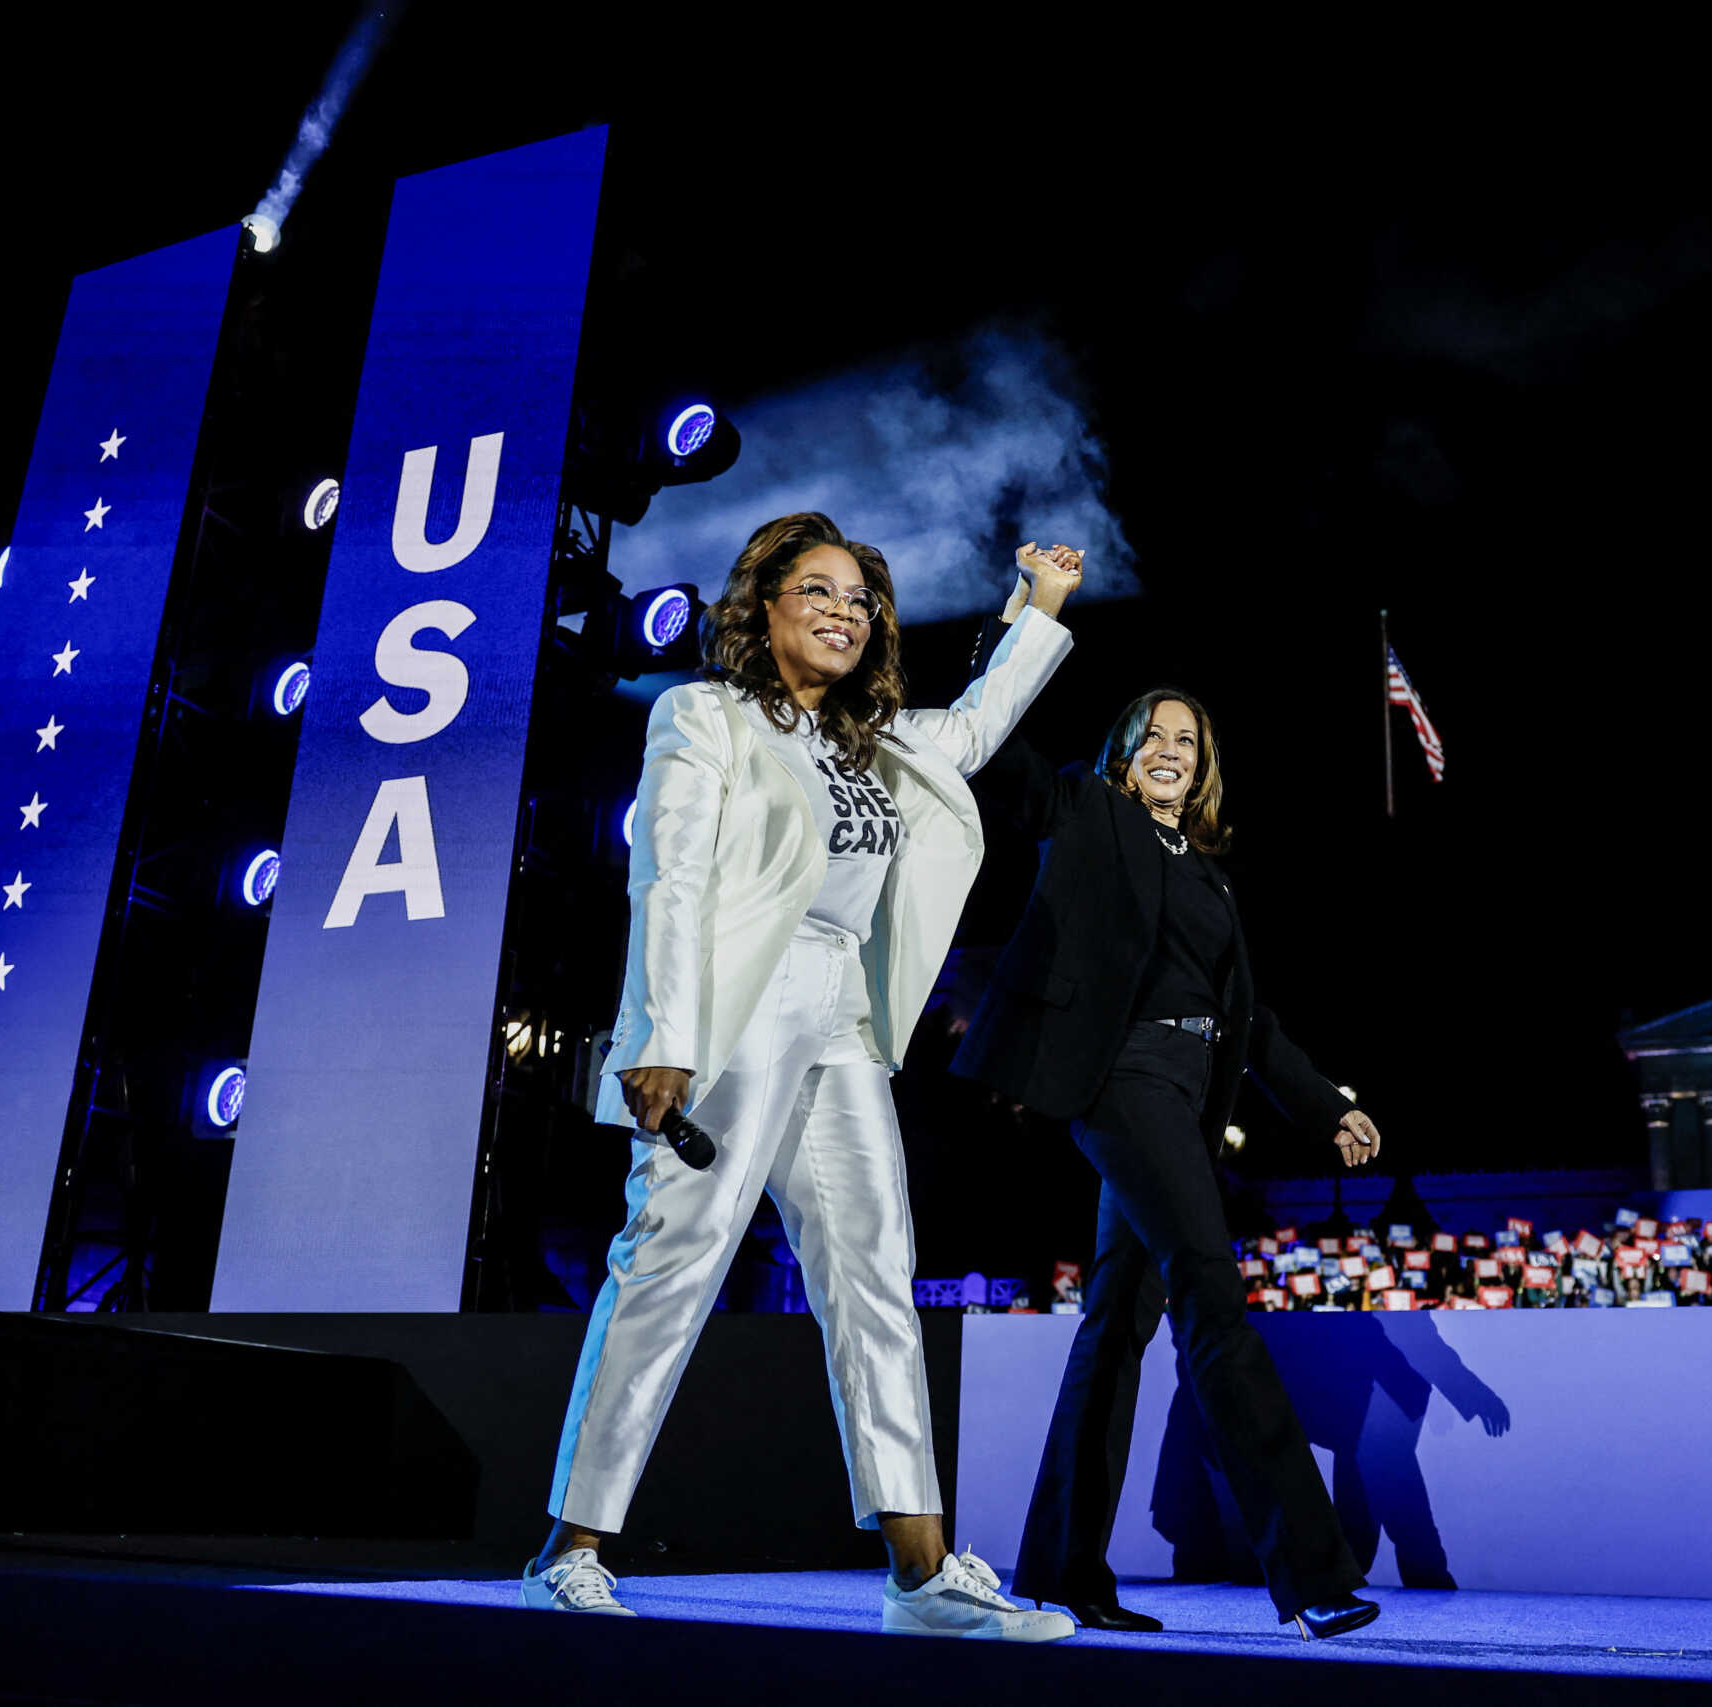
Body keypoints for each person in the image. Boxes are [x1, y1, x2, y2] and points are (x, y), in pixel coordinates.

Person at [526, 513, 1084, 1641]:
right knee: (671, 1264)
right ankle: (570, 1549)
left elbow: (974, 726)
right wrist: (664, 1033)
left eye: (861, 598)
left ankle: (921, 1575)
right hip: (737, 1006)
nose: (843, 610)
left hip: (843, 1013)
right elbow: (669, 878)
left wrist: (1039, 611)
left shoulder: (876, 742)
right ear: (762, 609)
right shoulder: (707, 718)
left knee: (877, 1273)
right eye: (816, 590)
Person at [952, 688, 1387, 1641]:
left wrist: (1328, 1107)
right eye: (1153, 734)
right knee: (1208, 1291)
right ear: (1121, 751)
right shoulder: (1086, 807)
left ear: (1205, 768)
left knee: (1115, 1326)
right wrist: (1021, 625)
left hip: (1189, 1100)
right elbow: (1003, 760)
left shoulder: (1211, 877)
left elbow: (1251, 1022)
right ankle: (1312, 1573)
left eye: (1187, 741)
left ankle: (1065, 1572)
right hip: (1120, 1078)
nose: (1170, 749)